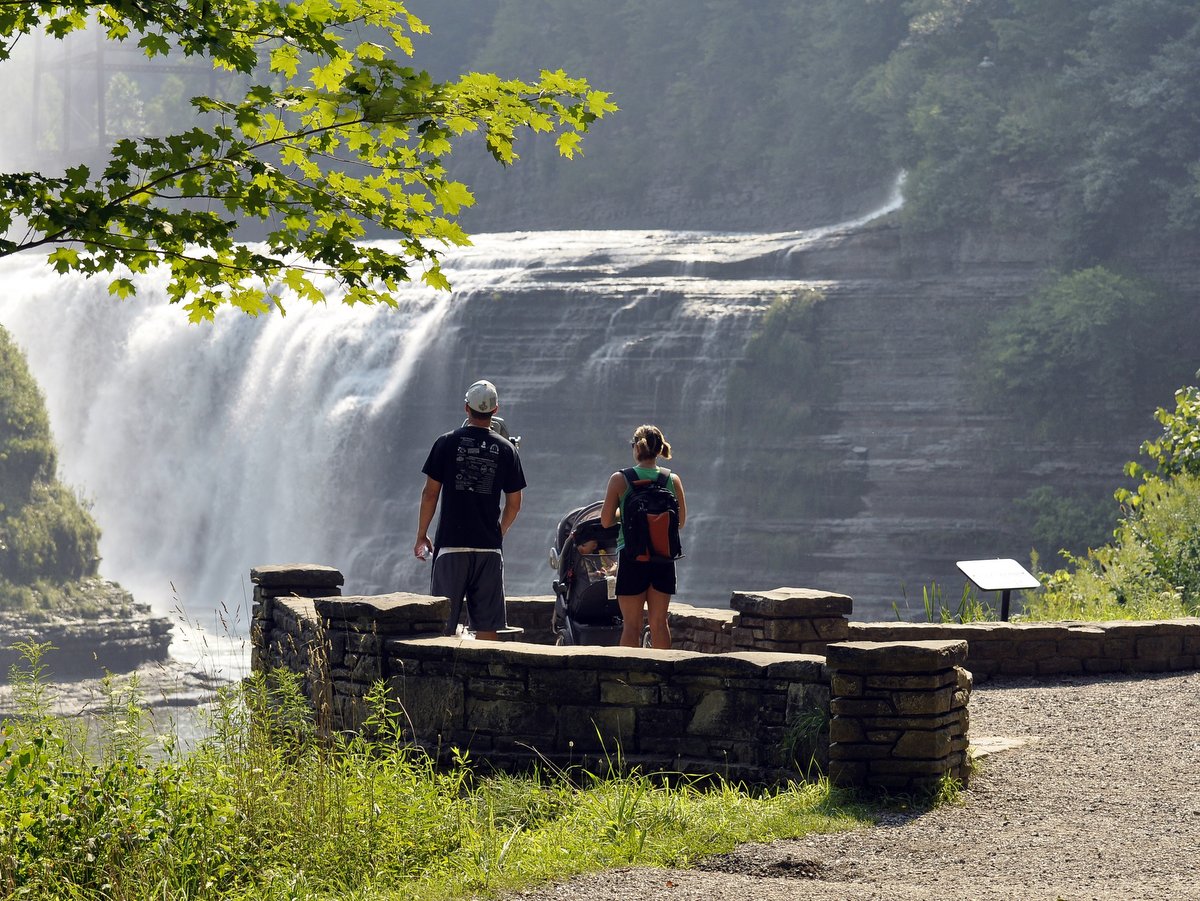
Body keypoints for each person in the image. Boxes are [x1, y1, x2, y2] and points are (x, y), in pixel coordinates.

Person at [414, 379, 526, 640]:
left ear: (466, 408)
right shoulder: (508, 450)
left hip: (451, 545)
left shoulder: (445, 443)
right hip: (488, 548)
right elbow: (515, 503)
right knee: (488, 626)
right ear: (495, 410)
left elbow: (430, 493)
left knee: (442, 623)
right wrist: (499, 531)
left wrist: (422, 534)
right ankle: (487, 678)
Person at [600, 424, 686, 649]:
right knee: (659, 623)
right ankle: (664, 677)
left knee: (631, 626)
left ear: (636, 448)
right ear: (659, 450)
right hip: (663, 558)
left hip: (631, 556)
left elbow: (606, 521)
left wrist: (626, 513)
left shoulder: (620, 479)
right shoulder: (672, 480)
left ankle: (626, 678)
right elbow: (681, 522)